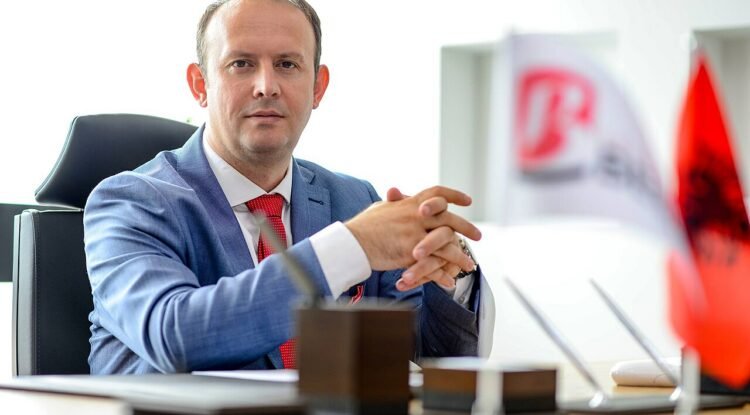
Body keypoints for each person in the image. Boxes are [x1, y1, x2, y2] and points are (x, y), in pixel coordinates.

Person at [84, 0, 488, 374]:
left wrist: (449, 269)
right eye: (241, 63)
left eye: (287, 64)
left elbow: (430, 356)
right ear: (199, 85)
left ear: (318, 87)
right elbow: (175, 335)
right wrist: (350, 247)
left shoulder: (354, 200)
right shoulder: (129, 202)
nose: (266, 86)